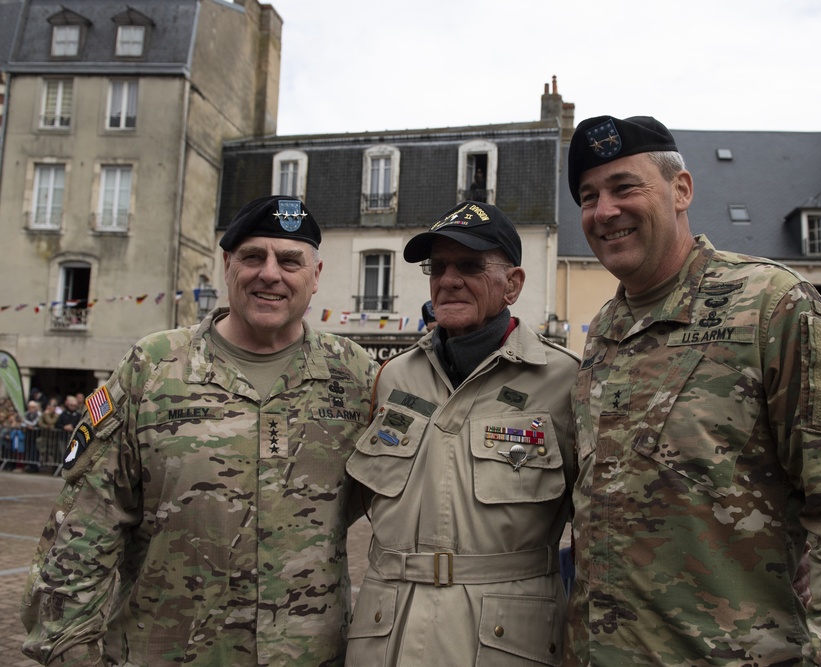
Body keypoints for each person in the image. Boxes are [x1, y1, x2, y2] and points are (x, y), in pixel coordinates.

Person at [564, 114, 821, 665]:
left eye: (624, 187)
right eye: (588, 196)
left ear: (681, 190)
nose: (604, 211)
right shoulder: (604, 334)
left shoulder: (773, 305)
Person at [21, 195, 379, 666]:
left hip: (308, 655)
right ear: (227, 264)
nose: (270, 273)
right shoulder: (152, 367)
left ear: (315, 277)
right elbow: (86, 524)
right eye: (253, 256)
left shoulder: (355, 376)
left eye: (290, 260)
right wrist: (68, 649)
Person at [344, 201, 579, 665]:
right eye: (438, 266)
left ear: (512, 284)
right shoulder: (392, 377)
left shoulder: (564, 381)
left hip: (505, 641)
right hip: (387, 634)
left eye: (470, 265)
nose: (448, 279)